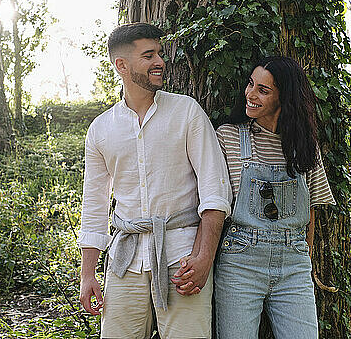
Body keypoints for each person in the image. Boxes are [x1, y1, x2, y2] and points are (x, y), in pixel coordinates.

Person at [77, 22, 232, 339]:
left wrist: (204, 259)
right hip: (125, 260)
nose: (160, 62)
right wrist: (88, 273)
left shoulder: (187, 112)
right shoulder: (101, 129)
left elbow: (215, 193)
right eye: (148, 55)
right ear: (122, 65)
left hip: (183, 258)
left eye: (160, 53)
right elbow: (94, 207)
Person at [214, 56, 335, 338]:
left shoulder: (305, 147)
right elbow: (214, 206)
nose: (250, 94)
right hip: (239, 264)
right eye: (250, 84)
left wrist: (305, 253)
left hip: (294, 265)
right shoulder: (228, 138)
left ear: (285, 98)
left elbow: (312, 208)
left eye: (263, 90)